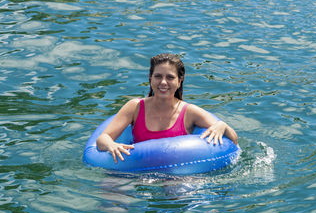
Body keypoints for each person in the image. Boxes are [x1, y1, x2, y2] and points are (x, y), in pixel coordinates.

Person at [96, 53, 238, 163]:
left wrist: (222, 125)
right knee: (110, 189)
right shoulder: (135, 107)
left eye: (170, 77)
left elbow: (234, 140)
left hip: (176, 174)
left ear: (179, 81)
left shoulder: (189, 112)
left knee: (176, 193)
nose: (163, 82)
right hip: (136, 169)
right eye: (158, 76)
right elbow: (103, 138)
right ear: (150, 78)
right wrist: (111, 145)